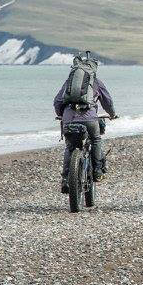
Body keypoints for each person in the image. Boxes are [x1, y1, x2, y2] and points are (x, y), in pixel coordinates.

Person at [53, 53, 117, 191]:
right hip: (90, 119)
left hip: (68, 119)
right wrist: (112, 114)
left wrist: (62, 115)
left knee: (70, 147)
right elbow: (108, 102)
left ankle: (65, 179)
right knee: (95, 140)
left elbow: (57, 101)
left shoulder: (69, 82)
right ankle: (97, 171)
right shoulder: (96, 82)